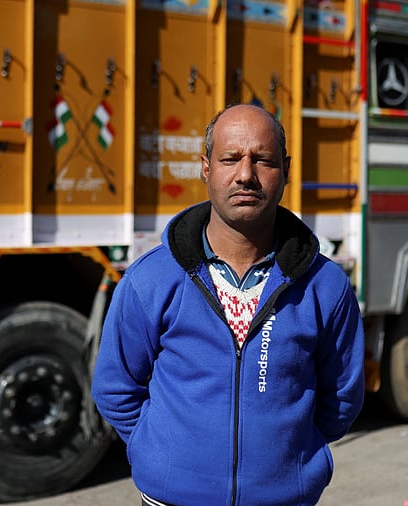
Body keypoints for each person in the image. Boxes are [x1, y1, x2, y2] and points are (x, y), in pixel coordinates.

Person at [91, 103, 365, 506]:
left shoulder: (325, 286)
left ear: (286, 170)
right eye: (230, 159)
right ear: (206, 167)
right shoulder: (151, 279)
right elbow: (116, 389)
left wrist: (286, 463)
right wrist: (165, 454)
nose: (245, 175)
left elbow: (341, 396)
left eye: (263, 160)